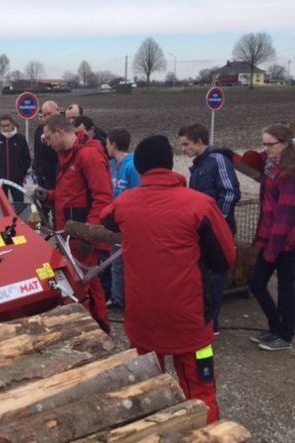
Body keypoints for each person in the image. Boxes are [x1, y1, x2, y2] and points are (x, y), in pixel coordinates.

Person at [100, 135, 236, 424]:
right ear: (171, 163)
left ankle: (155, 438)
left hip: (142, 317)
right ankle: (207, 441)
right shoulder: (200, 205)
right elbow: (225, 258)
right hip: (189, 319)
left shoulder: (125, 204)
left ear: (140, 168)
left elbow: (106, 217)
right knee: (200, 389)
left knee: (150, 387)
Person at [34, 114, 112, 332]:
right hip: (70, 235)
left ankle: (97, 327)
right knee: (84, 281)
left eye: (48, 138)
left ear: (60, 132)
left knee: (85, 282)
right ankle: (95, 326)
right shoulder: (68, 158)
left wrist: (90, 233)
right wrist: (48, 196)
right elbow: (69, 194)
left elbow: (103, 198)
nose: (47, 144)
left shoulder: (88, 157)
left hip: (82, 235)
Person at [238, 125, 295, 351]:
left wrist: (271, 249)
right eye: (264, 144)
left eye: (270, 144)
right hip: (269, 238)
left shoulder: (292, 174)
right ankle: (276, 328)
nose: (265, 149)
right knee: (258, 284)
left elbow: (286, 217)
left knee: (285, 287)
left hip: (284, 242)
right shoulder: (272, 166)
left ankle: (285, 337)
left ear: (284, 144)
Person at [178, 123, 241, 334]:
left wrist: (217, 222)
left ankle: (212, 324)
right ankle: (203, 319)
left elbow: (230, 192)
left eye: (186, 144)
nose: (183, 149)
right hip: (202, 231)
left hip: (216, 231)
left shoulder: (217, 160)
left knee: (215, 276)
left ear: (199, 141)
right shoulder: (199, 165)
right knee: (202, 276)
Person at [105, 128, 141, 309]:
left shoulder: (132, 166)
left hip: (129, 223)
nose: (106, 147)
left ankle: (131, 299)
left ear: (113, 144)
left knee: (131, 263)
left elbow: (137, 194)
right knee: (115, 262)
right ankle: (117, 298)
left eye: (107, 143)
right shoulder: (111, 165)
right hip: (115, 221)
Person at [0, 113, 31, 203]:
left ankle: (19, 217)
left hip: (16, 180)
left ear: (12, 124)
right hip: (1, 180)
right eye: (3, 126)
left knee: (19, 204)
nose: (5, 128)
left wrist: (20, 174)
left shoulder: (20, 139)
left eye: (7, 125)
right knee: (2, 205)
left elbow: (26, 159)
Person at [33, 100, 60, 225]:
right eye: (44, 115)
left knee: (58, 205)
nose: (46, 117)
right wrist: (37, 168)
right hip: (44, 172)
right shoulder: (40, 130)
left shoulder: (63, 129)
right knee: (44, 200)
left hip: (58, 173)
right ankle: (46, 223)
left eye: (49, 114)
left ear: (57, 110)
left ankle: (57, 226)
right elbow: (37, 152)